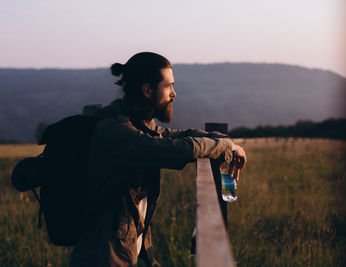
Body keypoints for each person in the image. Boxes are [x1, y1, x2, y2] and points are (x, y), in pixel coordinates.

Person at [70, 52, 247, 267]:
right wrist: (226, 145)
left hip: (121, 251)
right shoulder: (116, 131)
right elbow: (179, 150)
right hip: (103, 256)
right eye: (168, 86)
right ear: (147, 90)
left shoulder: (136, 124)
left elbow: (175, 135)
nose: (174, 94)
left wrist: (224, 141)